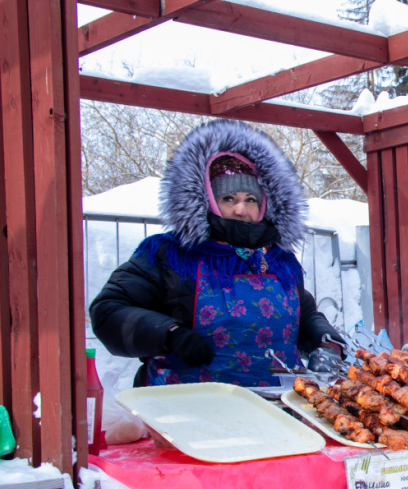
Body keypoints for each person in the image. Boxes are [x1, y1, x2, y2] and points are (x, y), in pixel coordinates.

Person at [90, 119, 343, 387]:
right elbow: (108, 311)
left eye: (250, 199)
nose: (241, 210)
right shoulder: (169, 255)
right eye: (228, 199)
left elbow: (304, 315)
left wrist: (325, 342)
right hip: (189, 408)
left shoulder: (280, 261)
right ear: (206, 200)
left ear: (265, 204)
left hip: (279, 407)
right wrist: (170, 335)